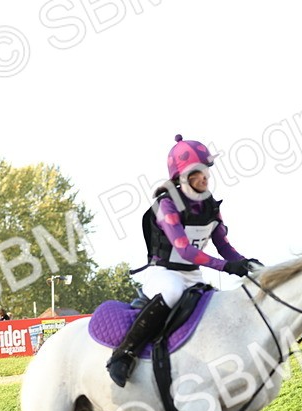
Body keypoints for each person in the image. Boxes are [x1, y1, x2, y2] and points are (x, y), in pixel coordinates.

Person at [106, 134, 260, 387]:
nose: (205, 177)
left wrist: (247, 265)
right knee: (172, 291)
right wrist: (227, 267)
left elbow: (224, 247)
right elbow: (186, 251)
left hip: (194, 275)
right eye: (198, 172)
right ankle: (123, 355)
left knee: (219, 307)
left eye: (207, 171)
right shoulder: (167, 205)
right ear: (183, 176)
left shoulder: (211, 206)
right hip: (163, 273)